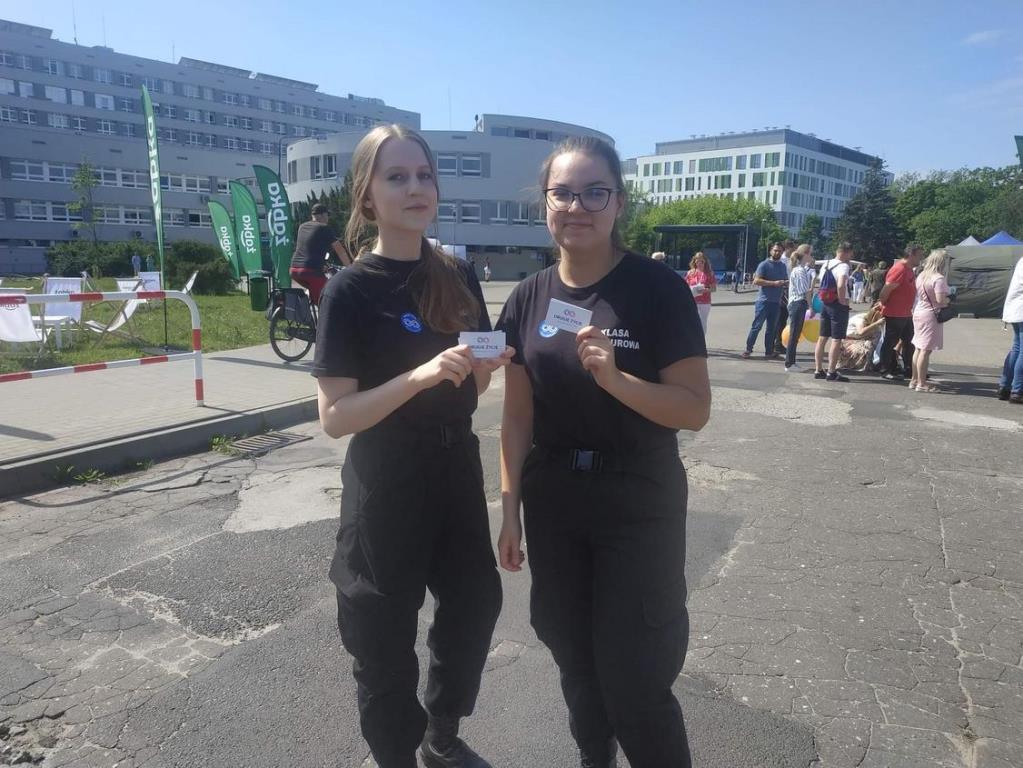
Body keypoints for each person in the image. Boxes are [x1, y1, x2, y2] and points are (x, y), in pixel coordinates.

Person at [497, 136, 710, 768]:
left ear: (619, 202)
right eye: (562, 193)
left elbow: (693, 409)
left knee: (635, 677)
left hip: (637, 499)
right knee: (574, 657)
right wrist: (508, 511)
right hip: (556, 501)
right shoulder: (528, 297)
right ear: (544, 203)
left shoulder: (657, 289)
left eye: (595, 193)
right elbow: (517, 415)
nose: (577, 207)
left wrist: (616, 381)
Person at [313, 125, 512, 768]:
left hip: (454, 465)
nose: (415, 188)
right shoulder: (351, 289)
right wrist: (420, 376)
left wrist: (483, 368)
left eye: (424, 175)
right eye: (396, 177)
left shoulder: (455, 273)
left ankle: (440, 734)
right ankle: (394, 755)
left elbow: (472, 387)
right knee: (381, 628)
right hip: (387, 474)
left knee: (475, 602)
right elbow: (335, 417)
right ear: (367, 195)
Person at [290, 202, 353, 305]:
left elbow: (308, 249)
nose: (328, 218)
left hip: (294, 270)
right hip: (310, 271)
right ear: (323, 215)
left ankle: (310, 311)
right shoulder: (324, 228)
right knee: (329, 297)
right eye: (327, 215)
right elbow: (340, 251)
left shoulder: (302, 227)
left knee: (317, 295)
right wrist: (350, 269)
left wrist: (321, 264)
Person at [877, 245, 924, 379]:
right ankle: (885, 369)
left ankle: (909, 369)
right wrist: (883, 303)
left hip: (905, 313)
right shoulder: (899, 269)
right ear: (911, 255)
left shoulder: (908, 269)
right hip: (895, 312)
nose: (921, 258)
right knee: (890, 341)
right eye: (919, 255)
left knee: (910, 341)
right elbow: (886, 289)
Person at [910, 249, 951, 392]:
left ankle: (914, 380)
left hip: (919, 311)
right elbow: (940, 300)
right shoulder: (938, 278)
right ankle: (922, 384)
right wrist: (949, 300)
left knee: (918, 347)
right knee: (926, 350)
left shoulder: (921, 275)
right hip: (930, 315)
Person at [813, 242, 854, 382]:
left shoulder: (826, 264)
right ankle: (831, 371)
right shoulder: (843, 266)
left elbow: (820, 281)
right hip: (837, 305)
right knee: (836, 339)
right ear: (847, 252)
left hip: (825, 303)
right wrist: (842, 301)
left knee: (822, 337)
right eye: (850, 253)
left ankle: (818, 369)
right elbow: (841, 285)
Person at [742, 242, 788, 359]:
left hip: (776, 302)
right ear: (771, 251)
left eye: (779, 251)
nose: (777, 252)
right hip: (763, 301)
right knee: (757, 326)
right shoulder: (764, 264)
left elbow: (784, 280)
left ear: (782, 252)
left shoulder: (783, 266)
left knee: (772, 329)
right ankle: (748, 349)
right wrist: (774, 283)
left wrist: (786, 283)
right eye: (775, 250)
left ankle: (769, 351)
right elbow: (756, 281)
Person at [784, 244, 815, 371]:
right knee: (794, 334)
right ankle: (789, 363)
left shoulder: (798, 269)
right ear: (805, 254)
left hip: (796, 303)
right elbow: (805, 291)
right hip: (798, 303)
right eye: (810, 253)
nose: (811, 256)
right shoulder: (800, 270)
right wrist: (811, 307)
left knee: (795, 334)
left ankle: (791, 361)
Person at [998, 252, 1023, 403]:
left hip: (1015, 309)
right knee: (1020, 350)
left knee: (1017, 348)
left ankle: (1005, 387)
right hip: (1020, 309)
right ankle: (1017, 390)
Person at [834, 304, 885, 371]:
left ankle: (874, 362)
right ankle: (851, 364)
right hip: (848, 340)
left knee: (877, 335)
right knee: (868, 344)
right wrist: (876, 323)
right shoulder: (861, 319)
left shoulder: (874, 321)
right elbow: (861, 332)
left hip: (860, 339)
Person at [685, 251, 717, 333]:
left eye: (702, 261)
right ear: (694, 261)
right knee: (692, 322)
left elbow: (714, 289)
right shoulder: (690, 273)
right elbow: (685, 286)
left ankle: (701, 339)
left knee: (702, 323)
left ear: (705, 262)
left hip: (704, 303)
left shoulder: (709, 273)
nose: (699, 263)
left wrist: (705, 290)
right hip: (692, 301)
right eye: (697, 261)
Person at [773, 239, 795, 354]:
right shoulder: (781, 260)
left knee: (783, 319)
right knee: (780, 319)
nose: (794, 251)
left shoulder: (791, 260)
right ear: (788, 248)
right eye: (793, 248)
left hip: (788, 291)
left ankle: (778, 343)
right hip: (781, 291)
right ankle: (776, 344)